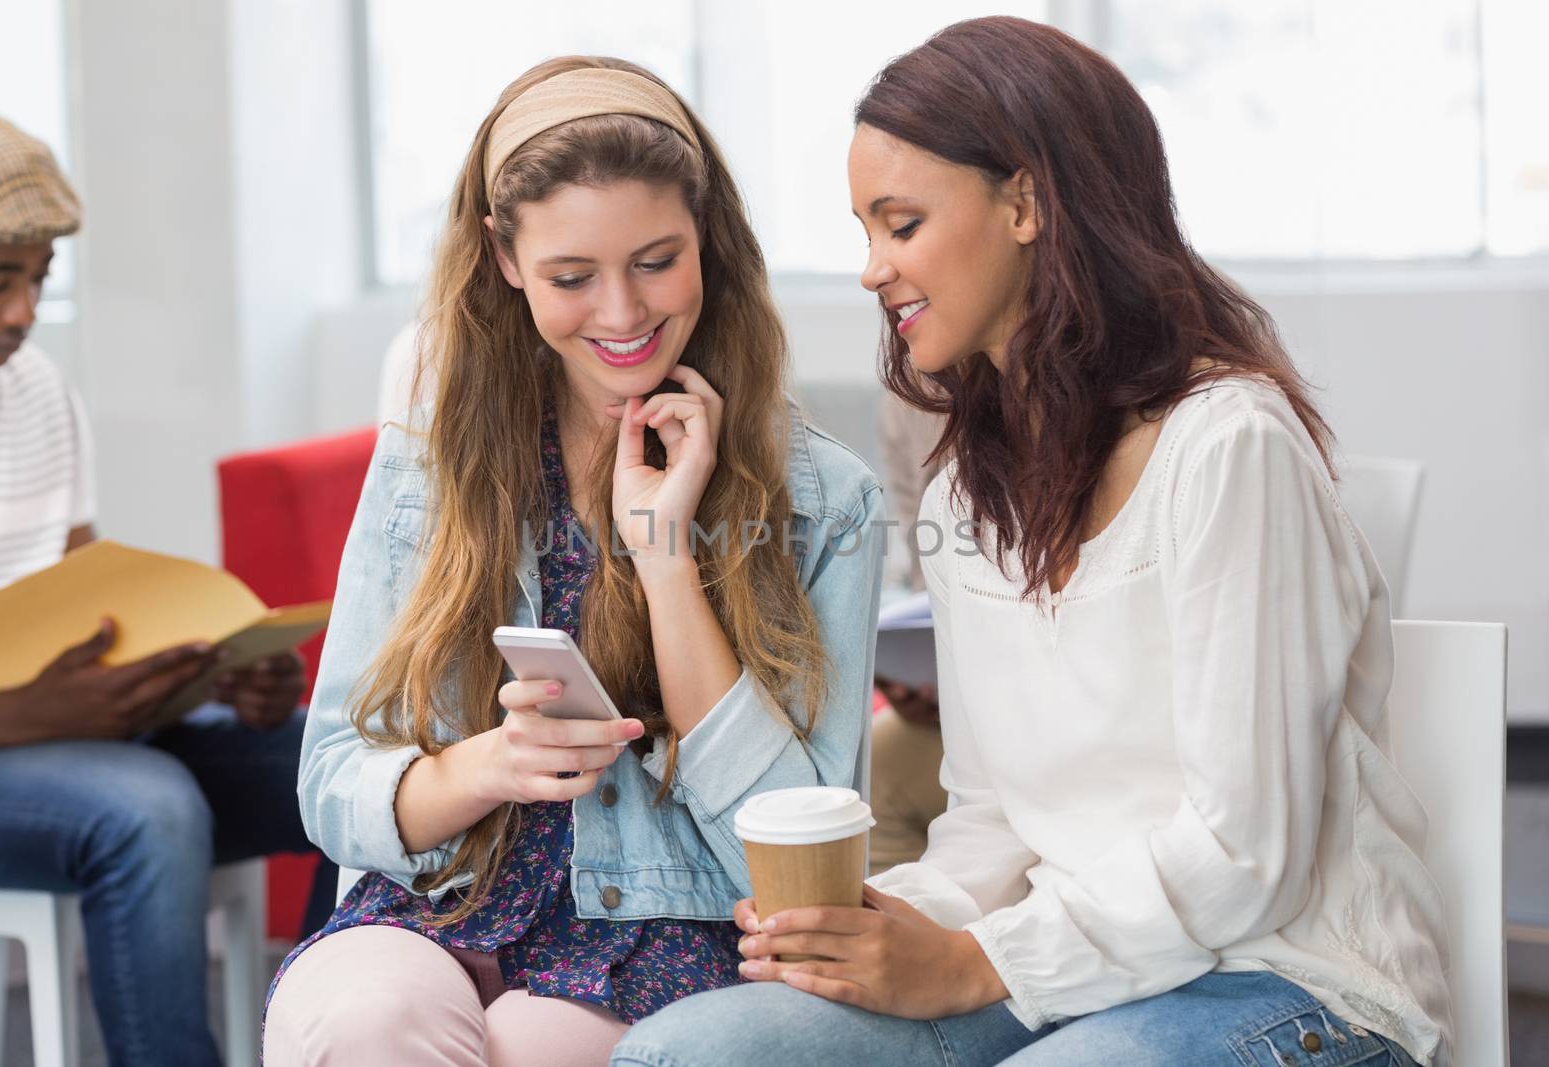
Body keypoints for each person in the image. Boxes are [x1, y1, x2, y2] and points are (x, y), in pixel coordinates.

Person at [612, 17, 1450, 1067]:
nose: (872, 268)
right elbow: (994, 818)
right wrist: (882, 923)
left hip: (1285, 976)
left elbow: (1248, 855)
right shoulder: (970, 486)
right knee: (682, 1050)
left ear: (1026, 203)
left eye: (901, 222)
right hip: (1069, 969)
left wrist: (975, 962)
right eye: (865, 229)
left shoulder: (1228, 445)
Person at [262, 56, 883, 1066]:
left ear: (707, 243)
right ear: (507, 259)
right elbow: (332, 783)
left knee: (531, 1045)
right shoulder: (427, 463)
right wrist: (486, 766)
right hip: (435, 907)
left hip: (662, 935)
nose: (622, 312)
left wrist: (665, 553)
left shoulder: (824, 500)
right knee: (365, 1021)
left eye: (655, 259)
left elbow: (785, 863)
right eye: (570, 276)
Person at [0, 104, 329, 1066]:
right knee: (144, 807)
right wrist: (36, 714)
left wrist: (210, 673)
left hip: (62, 734)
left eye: (38, 280)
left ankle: (331, 1040)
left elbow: (83, 597)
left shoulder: (35, 389)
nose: (24, 312)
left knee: (343, 767)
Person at [867, 392, 948, 875]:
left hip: (1056, 694)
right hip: (961, 704)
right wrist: (902, 668)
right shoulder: (907, 400)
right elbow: (930, 581)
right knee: (874, 764)